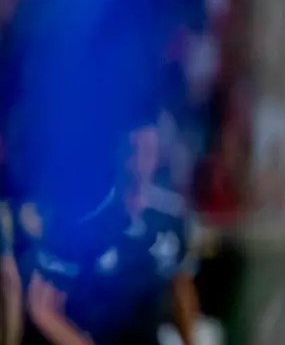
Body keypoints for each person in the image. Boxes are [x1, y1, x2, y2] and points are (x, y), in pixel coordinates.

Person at [23, 121, 200, 345]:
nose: (139, 163)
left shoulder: (170, 216)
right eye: (133, 151)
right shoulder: (84, 221)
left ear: (158, 157)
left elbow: (181, 287)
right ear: (118, 155)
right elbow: (42, 309)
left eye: (148, 152)